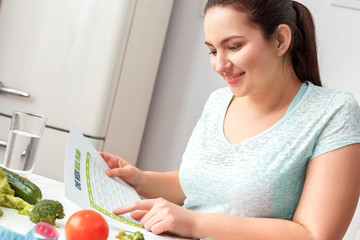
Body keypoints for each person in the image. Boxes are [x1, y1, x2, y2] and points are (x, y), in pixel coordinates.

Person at [101, 0, 360, 239]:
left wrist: (194, 223)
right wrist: (142, 180)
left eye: (233, 46)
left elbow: (314, 235)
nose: (219, 64)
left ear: (281, 40)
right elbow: (210, 184)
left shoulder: (332, 111)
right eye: (213, 51)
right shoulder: (218, 101)